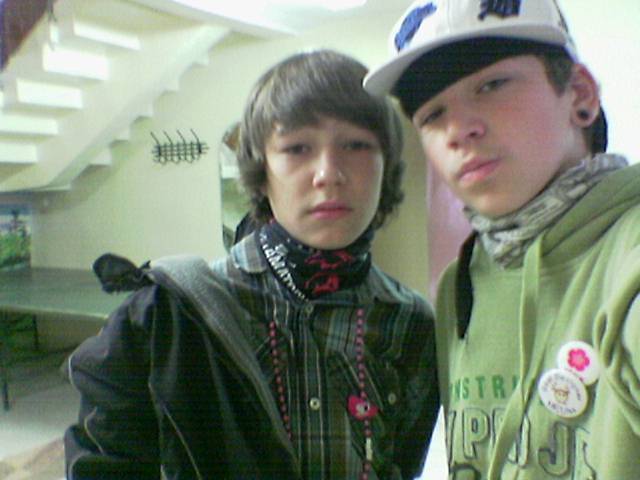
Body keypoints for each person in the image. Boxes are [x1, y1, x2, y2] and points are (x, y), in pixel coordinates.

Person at [64, 49, 440, 479]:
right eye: (297, 148)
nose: (328, 174)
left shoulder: (411, 323)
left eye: (356, 145)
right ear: (261, 172)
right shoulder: (169, 317)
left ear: (385, 166)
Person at [364, 0, 640, 478]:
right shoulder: (462, 283)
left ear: (580, 94)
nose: (458, 130)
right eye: (432, 114)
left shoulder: (627, 257)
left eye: (491, 85)